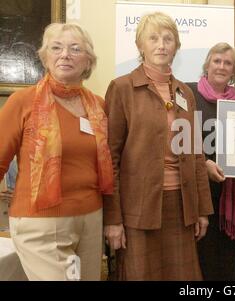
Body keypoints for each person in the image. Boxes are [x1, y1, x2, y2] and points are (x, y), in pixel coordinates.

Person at [103, 12, 213, 281]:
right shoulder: (122, 88)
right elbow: (109, 158)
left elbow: (196, 154)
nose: (161, 44)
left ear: (176, 45)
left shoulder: (185, 93)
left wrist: (201, 210)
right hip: (139, 208)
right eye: (153, 38)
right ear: (141, 45)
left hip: (181, 204)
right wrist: (113, 219)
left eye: (168, 38)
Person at [0, 22, 113, 280]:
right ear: (45, 56)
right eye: (57, 48)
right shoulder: (23, 102)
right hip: (40, 224)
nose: (65, 54)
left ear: (88, 61)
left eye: (75, 49)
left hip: (89, 220)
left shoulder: (98, 105)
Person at [187, 43, 235, 281]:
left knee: (226, 259)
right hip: (197, 191)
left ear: (233, 71)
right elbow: (176, 140)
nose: (222, 66)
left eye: (228, 63)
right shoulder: (187, 94)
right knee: (201, 257)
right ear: (207, 65)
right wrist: (203, 165)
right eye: (217, 61)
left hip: (229, 194)